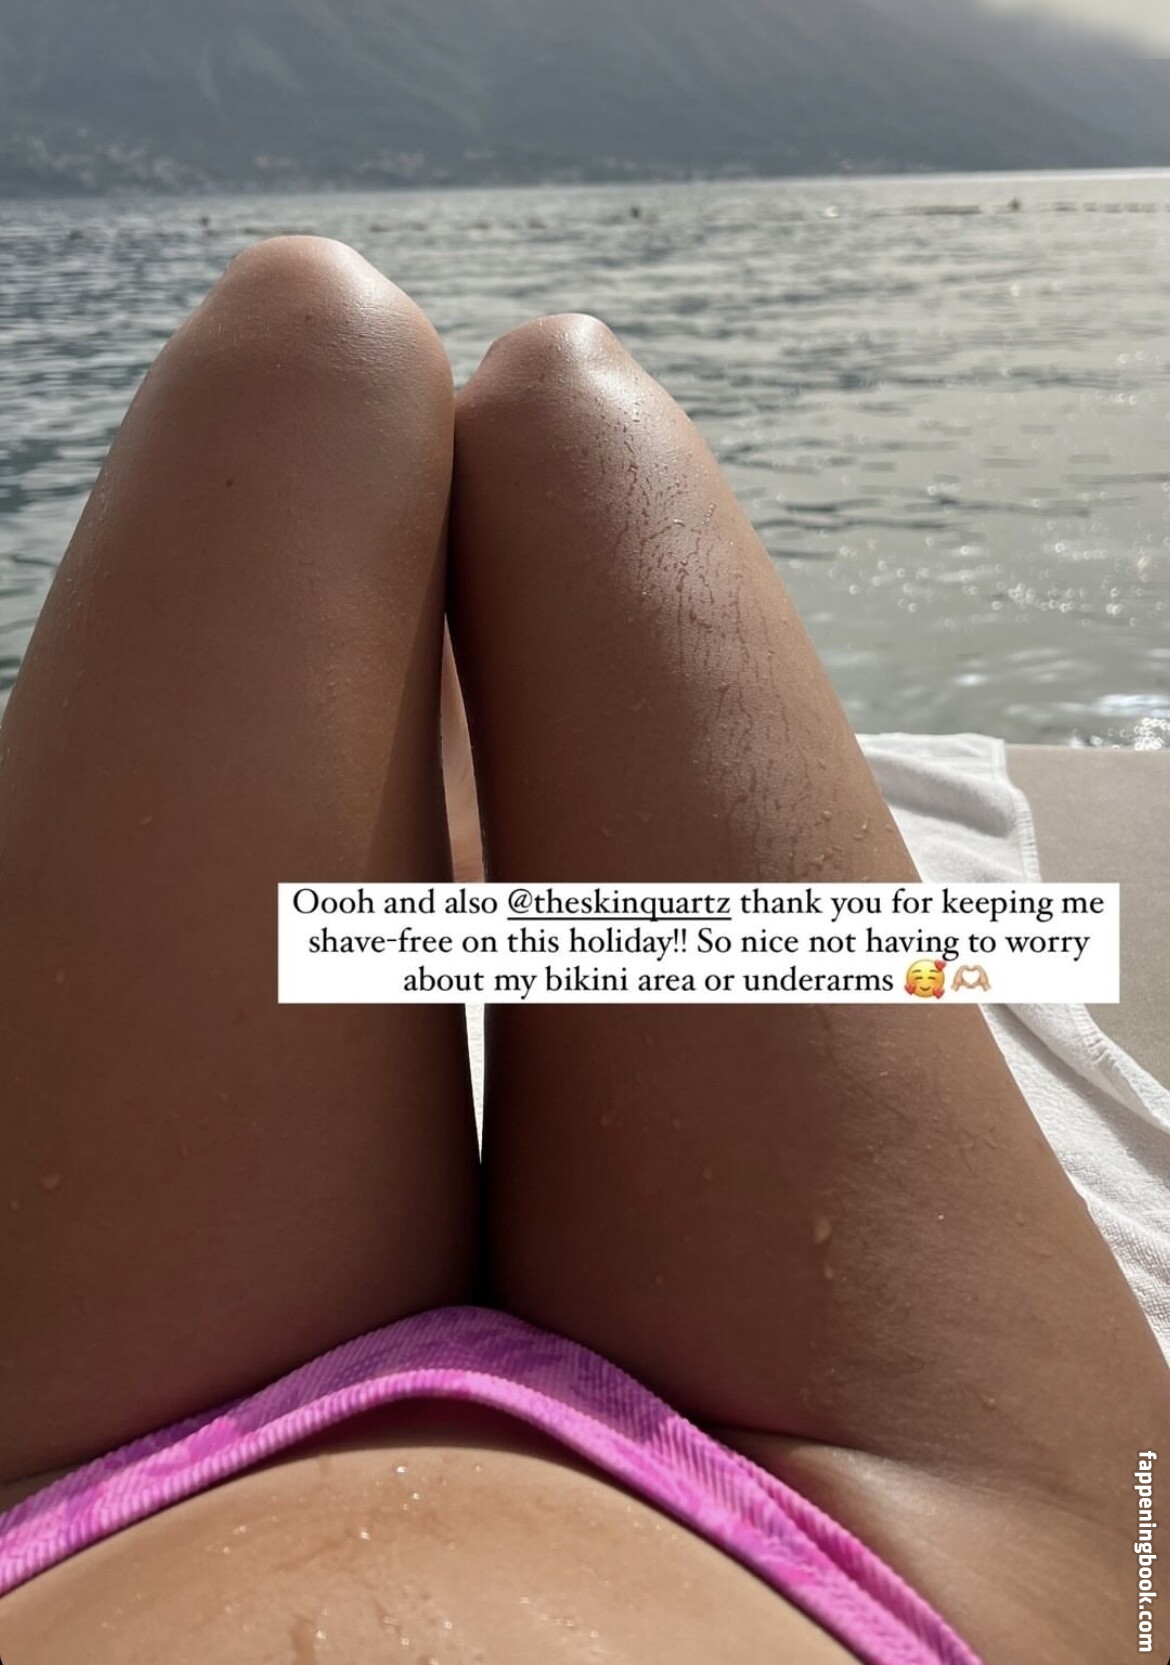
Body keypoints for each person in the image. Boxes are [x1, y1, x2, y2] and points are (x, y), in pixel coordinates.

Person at [0, 236, 1164, 1665]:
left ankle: (441, 858)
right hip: (905, 1573)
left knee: (304, 341)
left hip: (61, 1523)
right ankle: (458, 862)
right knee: (559, 398)